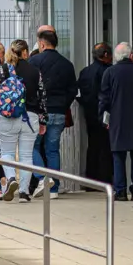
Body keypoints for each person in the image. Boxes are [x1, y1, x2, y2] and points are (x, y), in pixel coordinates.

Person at [28, 28, 78, 198]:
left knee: (32, 146)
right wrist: (64, 104)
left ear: (41, 44)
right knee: (53, 150)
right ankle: (54, 188)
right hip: (59, 111)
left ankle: (42, 178)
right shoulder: (67, 64)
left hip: (40, 112)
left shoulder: (34, 61)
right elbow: (73, 89)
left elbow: (30, 86)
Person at [99, 43, 133, 202]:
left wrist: (104, 119)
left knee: (118, 156)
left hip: (117, 120)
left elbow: (104, 99)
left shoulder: (109, 72)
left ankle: (120, 191)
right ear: (131, 55)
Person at [0, 40, 45, 203]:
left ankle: (10, 179)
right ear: (25, 52)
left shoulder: (4, 70)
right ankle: (24, 192)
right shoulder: (35, 71)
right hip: (30, 117)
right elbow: (42, 96)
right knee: (26, 155)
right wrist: (43, 119)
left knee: (7, 153)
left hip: (8, 116)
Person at [78, 43, 114, 184]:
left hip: (89, 114)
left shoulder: (85, 72)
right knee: (106, 147)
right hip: (106, 114)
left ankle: (91, 180)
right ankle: (105, 179)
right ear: (105, 55)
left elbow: (78, 92)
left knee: (92, 146)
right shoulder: (109, 71)